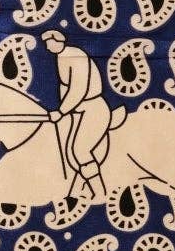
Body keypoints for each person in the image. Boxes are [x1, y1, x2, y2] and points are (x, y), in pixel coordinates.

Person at [41, 30, 118, 200]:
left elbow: (78, 89)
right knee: (71, 154)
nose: (46, 46)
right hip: (78, 111)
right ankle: (79, 190)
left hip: (94, 109)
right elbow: (65, 88)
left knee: (80, 151)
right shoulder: (60, 57)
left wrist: (61, 111)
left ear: (58, 41)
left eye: (48, 42)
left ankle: (100, 193)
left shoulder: (75, 56)